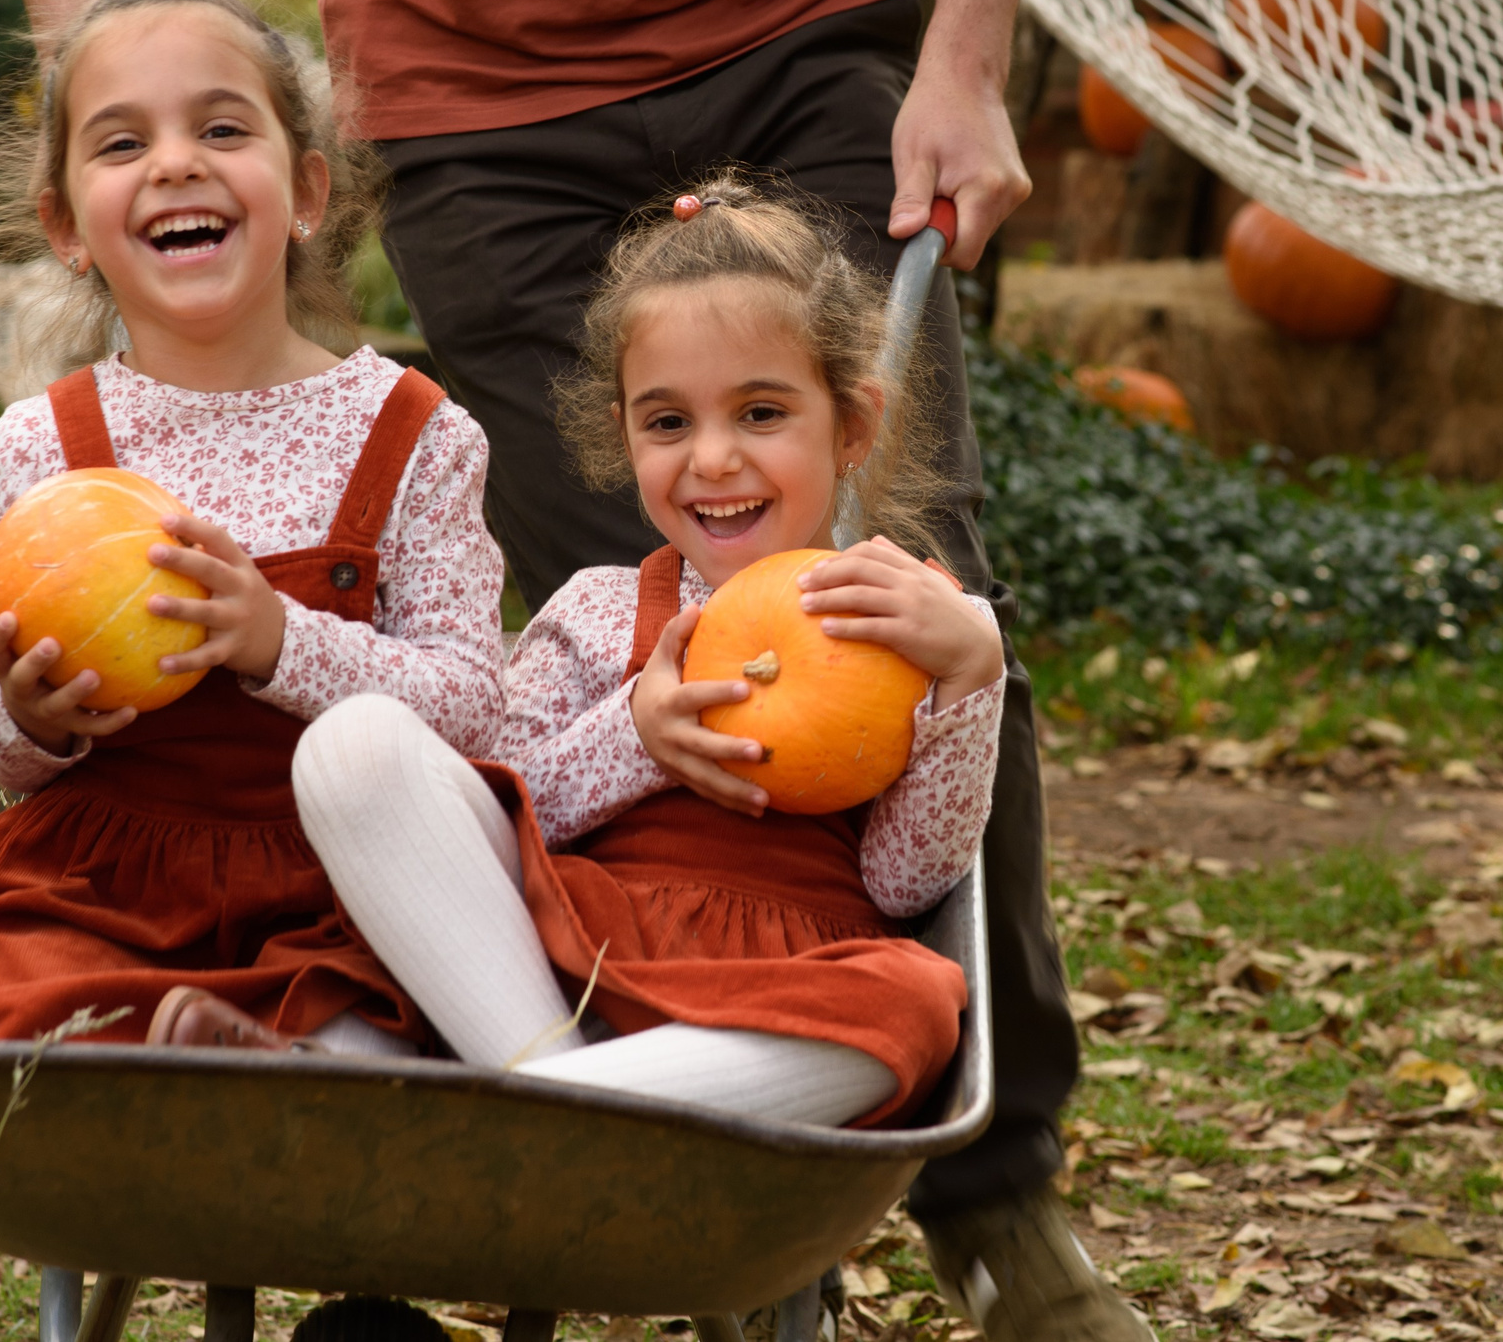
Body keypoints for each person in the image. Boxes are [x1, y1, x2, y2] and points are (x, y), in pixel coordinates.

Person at [0, 0, 1138, 1334]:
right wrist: (80, 44)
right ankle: (698, 1186)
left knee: (895, 604)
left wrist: (962, 60)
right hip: (476, 111)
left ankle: (986, 1192)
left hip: (797, 37)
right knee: (631, 638)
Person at [292, 185, 1002, 1129]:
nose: (710, 458)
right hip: (571, 971)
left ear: (853, 427)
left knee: (913, 1002)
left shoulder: (895, 613)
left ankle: (543, 1106)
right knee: (358, 745)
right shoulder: (599, 608)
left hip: (779, 992)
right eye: (668, 422)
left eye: (760, 412)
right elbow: (501, 805)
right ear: (626, 435)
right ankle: (551, 1076)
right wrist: (635, 735)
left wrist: (971, 675)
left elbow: (905, 884)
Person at [0, 0, 506, 1052]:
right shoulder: (40, 446)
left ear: (308, 192)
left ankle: (305, 1062)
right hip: (108, 879)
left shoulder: (415, 433)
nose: (176, 163)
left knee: (390, 999)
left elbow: (471, 709)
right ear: (67, 223)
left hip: (344, 874)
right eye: (123, 143)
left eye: (222, 130)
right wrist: (38, 718)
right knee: (16, 1000)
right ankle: (193, 1070)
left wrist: (282, 640)